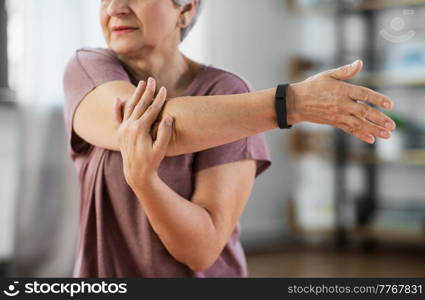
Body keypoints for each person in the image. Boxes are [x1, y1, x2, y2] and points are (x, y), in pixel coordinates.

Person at [63, 0, 396, 277]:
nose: (116, 7)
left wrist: (145, 182)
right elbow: (150, 128)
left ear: (186, 9)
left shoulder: (228, 94)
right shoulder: (88, 68)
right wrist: (290, 103)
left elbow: (201, 252)